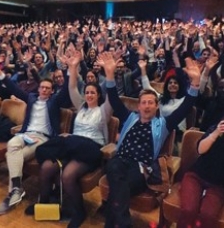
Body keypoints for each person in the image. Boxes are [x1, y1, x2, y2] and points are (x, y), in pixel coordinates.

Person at [97, 53, 200, 228]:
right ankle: (123, 224)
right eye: (143, 102)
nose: (147, 105)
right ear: (138, 106)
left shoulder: (163, 124)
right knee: (113, 167)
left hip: (140, 168)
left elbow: (185, 107)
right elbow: (114, 99)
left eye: (151, 102)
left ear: (156, 106)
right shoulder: (130, 118)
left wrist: (195, 83)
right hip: (121, 161)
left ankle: (112, 223)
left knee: (118, 188)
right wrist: (109, 74)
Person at [26, 50, 112, 228]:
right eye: (87, 92)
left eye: (92, 93)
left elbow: (112, 98)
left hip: (90, 149)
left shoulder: (104, 111)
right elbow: (72, 87)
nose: (88, 95)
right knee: (46, 167)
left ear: (98, 95)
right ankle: (43, 202)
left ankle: (79, 212)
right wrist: (73, 67)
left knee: (67, 175)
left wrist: (109, 73)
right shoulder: (80, 107)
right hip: (73, 145)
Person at [0, 57, 70, 216]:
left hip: (42, 138)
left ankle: (13, 192)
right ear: (38, 89)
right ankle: (17, 188)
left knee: (13, 155)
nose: (44, 90)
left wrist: (71, 69)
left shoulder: (55, 101)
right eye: (42, 87)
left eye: (47, 88)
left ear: (52, 91)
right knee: (12, 145)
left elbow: (66, 89)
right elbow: (14, 88)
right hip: (26, 134)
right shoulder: (31, 98)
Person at [177, 120, 224, 228]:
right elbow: (200, 150)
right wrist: (216, 133)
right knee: (189, 209)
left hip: (218, 185)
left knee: (208, 215)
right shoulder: (215, 128)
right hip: (196, 176)